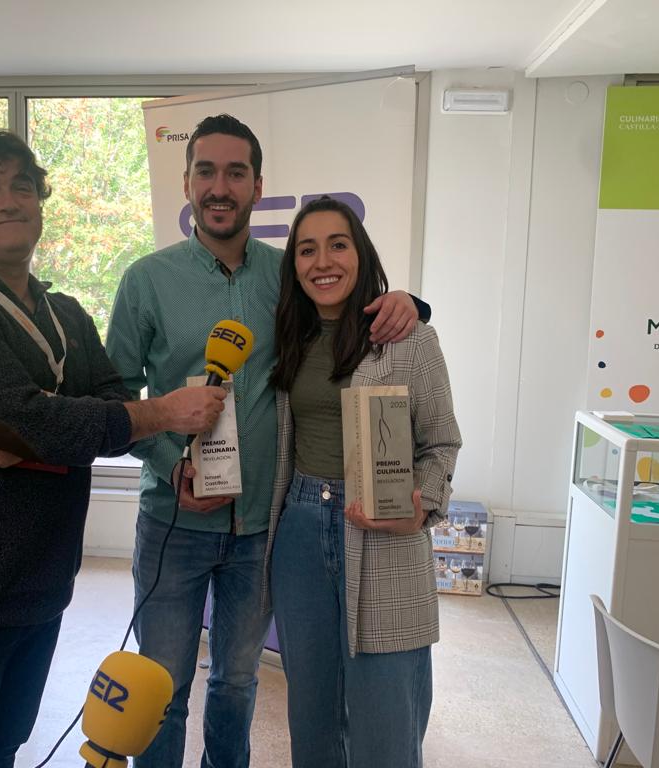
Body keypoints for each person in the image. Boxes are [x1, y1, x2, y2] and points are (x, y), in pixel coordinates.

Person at [0, 129, 225, 768]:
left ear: (40, 203)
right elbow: (24, 415)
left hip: (38, 585)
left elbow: (97, 404)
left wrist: (41, 444)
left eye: (22, 186)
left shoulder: (65, 314)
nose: (8, 200)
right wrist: (152, 413)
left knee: (3, 748)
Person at [104, 114, 431, 768]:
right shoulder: (146, 280)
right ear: (187, 182)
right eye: (205, 171)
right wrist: (171, 467)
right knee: (161, 688)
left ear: (257, 185)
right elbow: (114, 400)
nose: (219, 186)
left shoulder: (289, 275)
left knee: (237, 682)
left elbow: (352, 306)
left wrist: (411, 305)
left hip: (264, 529)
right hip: (173, 524)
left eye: (234, 172)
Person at [265, 196, 461, 768]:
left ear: (360, 254)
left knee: (387, 719)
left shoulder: (408, 338)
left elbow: (442, 442)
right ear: (294, 265)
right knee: (312, 714)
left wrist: (422, 508)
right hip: (300, 531)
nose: (322, 261)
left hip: (385, 534)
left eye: (337, 244)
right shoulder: (288, 338)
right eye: (306, 249)